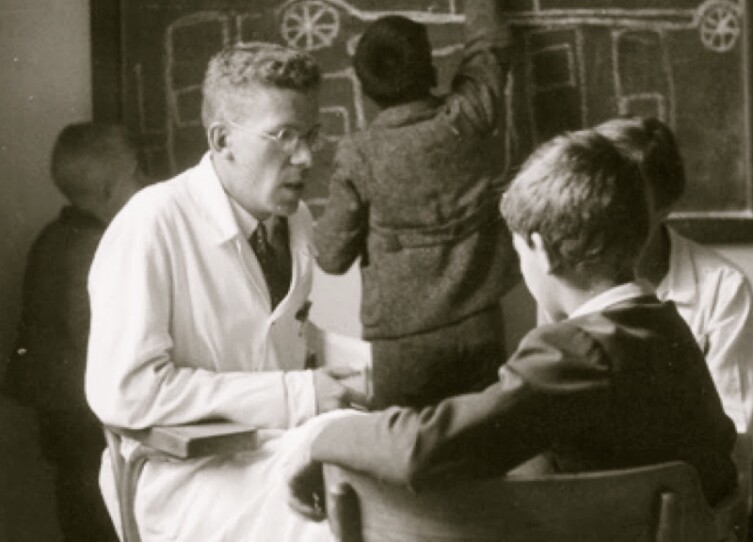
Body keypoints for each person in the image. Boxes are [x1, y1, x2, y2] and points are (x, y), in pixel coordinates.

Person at [289, 129, 739, 520]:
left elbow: (421, 449)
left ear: (540, 251)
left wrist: (321, 438)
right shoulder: (666, 327)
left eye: (519, 253)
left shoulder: (576, 351)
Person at [85, 43, 361, 542]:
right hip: (186, 474)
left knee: (385, 483)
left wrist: (383, 363)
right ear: (222, 139)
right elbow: (127, 393)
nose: (304, 157)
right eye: (283, 136)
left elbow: (283, 334)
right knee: (348, 522)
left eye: (310, 135)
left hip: (271, 449)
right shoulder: (152, 222)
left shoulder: (292, 220)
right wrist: (297, 393)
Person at [314, 0, 520, 409]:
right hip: (480, 324)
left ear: (364, 86)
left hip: (403, 345)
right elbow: (490, 45)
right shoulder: (466, 115)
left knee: (407, 458)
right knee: (485, 449)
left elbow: (331, 257)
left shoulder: (360, 154)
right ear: (430, 67)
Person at [593, 116, 753, 536]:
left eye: (631, 201)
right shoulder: (573, 277)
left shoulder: (722, 287)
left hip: (692, 497)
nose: (607, 213)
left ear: (666, 207)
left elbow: (736, 439)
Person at [2, 122, 144, 541]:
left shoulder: (52, 237)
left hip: (62, 418)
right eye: (137, 177)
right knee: (104, 519)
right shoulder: (98, 248)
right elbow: (98, 341)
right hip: (90, 420)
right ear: (109, 188)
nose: (143, 186)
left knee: (80, 516)